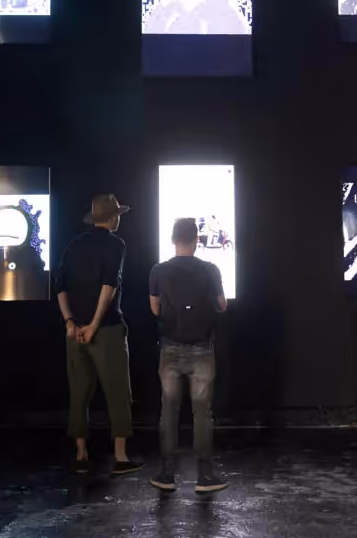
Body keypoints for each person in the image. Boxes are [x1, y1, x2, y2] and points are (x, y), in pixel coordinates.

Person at [55, 194, 142, 475]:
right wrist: (93, 325)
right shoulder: (116, 244)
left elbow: (60, 286)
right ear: (113, 218)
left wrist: (70, 322)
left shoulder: (73, 245)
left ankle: (81, 454)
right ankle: (120, 456)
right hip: (107, 330)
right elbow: (109, 286)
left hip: (75, 332)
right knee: (118, 391)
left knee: (79, 393)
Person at [148, 217, 228, 493]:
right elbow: (222, 305)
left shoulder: (158, 271)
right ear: (197, 240)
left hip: (170, 348)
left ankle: (166, 474)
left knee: (169, 411)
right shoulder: (210, 270)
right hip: (202, 349)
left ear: (173, 239)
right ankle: (204, 477)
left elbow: (154, 309)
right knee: (202, 413)